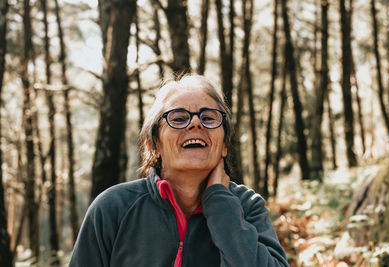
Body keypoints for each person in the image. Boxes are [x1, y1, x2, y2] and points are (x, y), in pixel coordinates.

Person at [69, 74, 289, 267]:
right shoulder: (113, 208)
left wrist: (222, 207)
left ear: (224, 145)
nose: (195, 124)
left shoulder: (247, 207)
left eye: (209, 117)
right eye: (178, 118)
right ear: (153, 145)